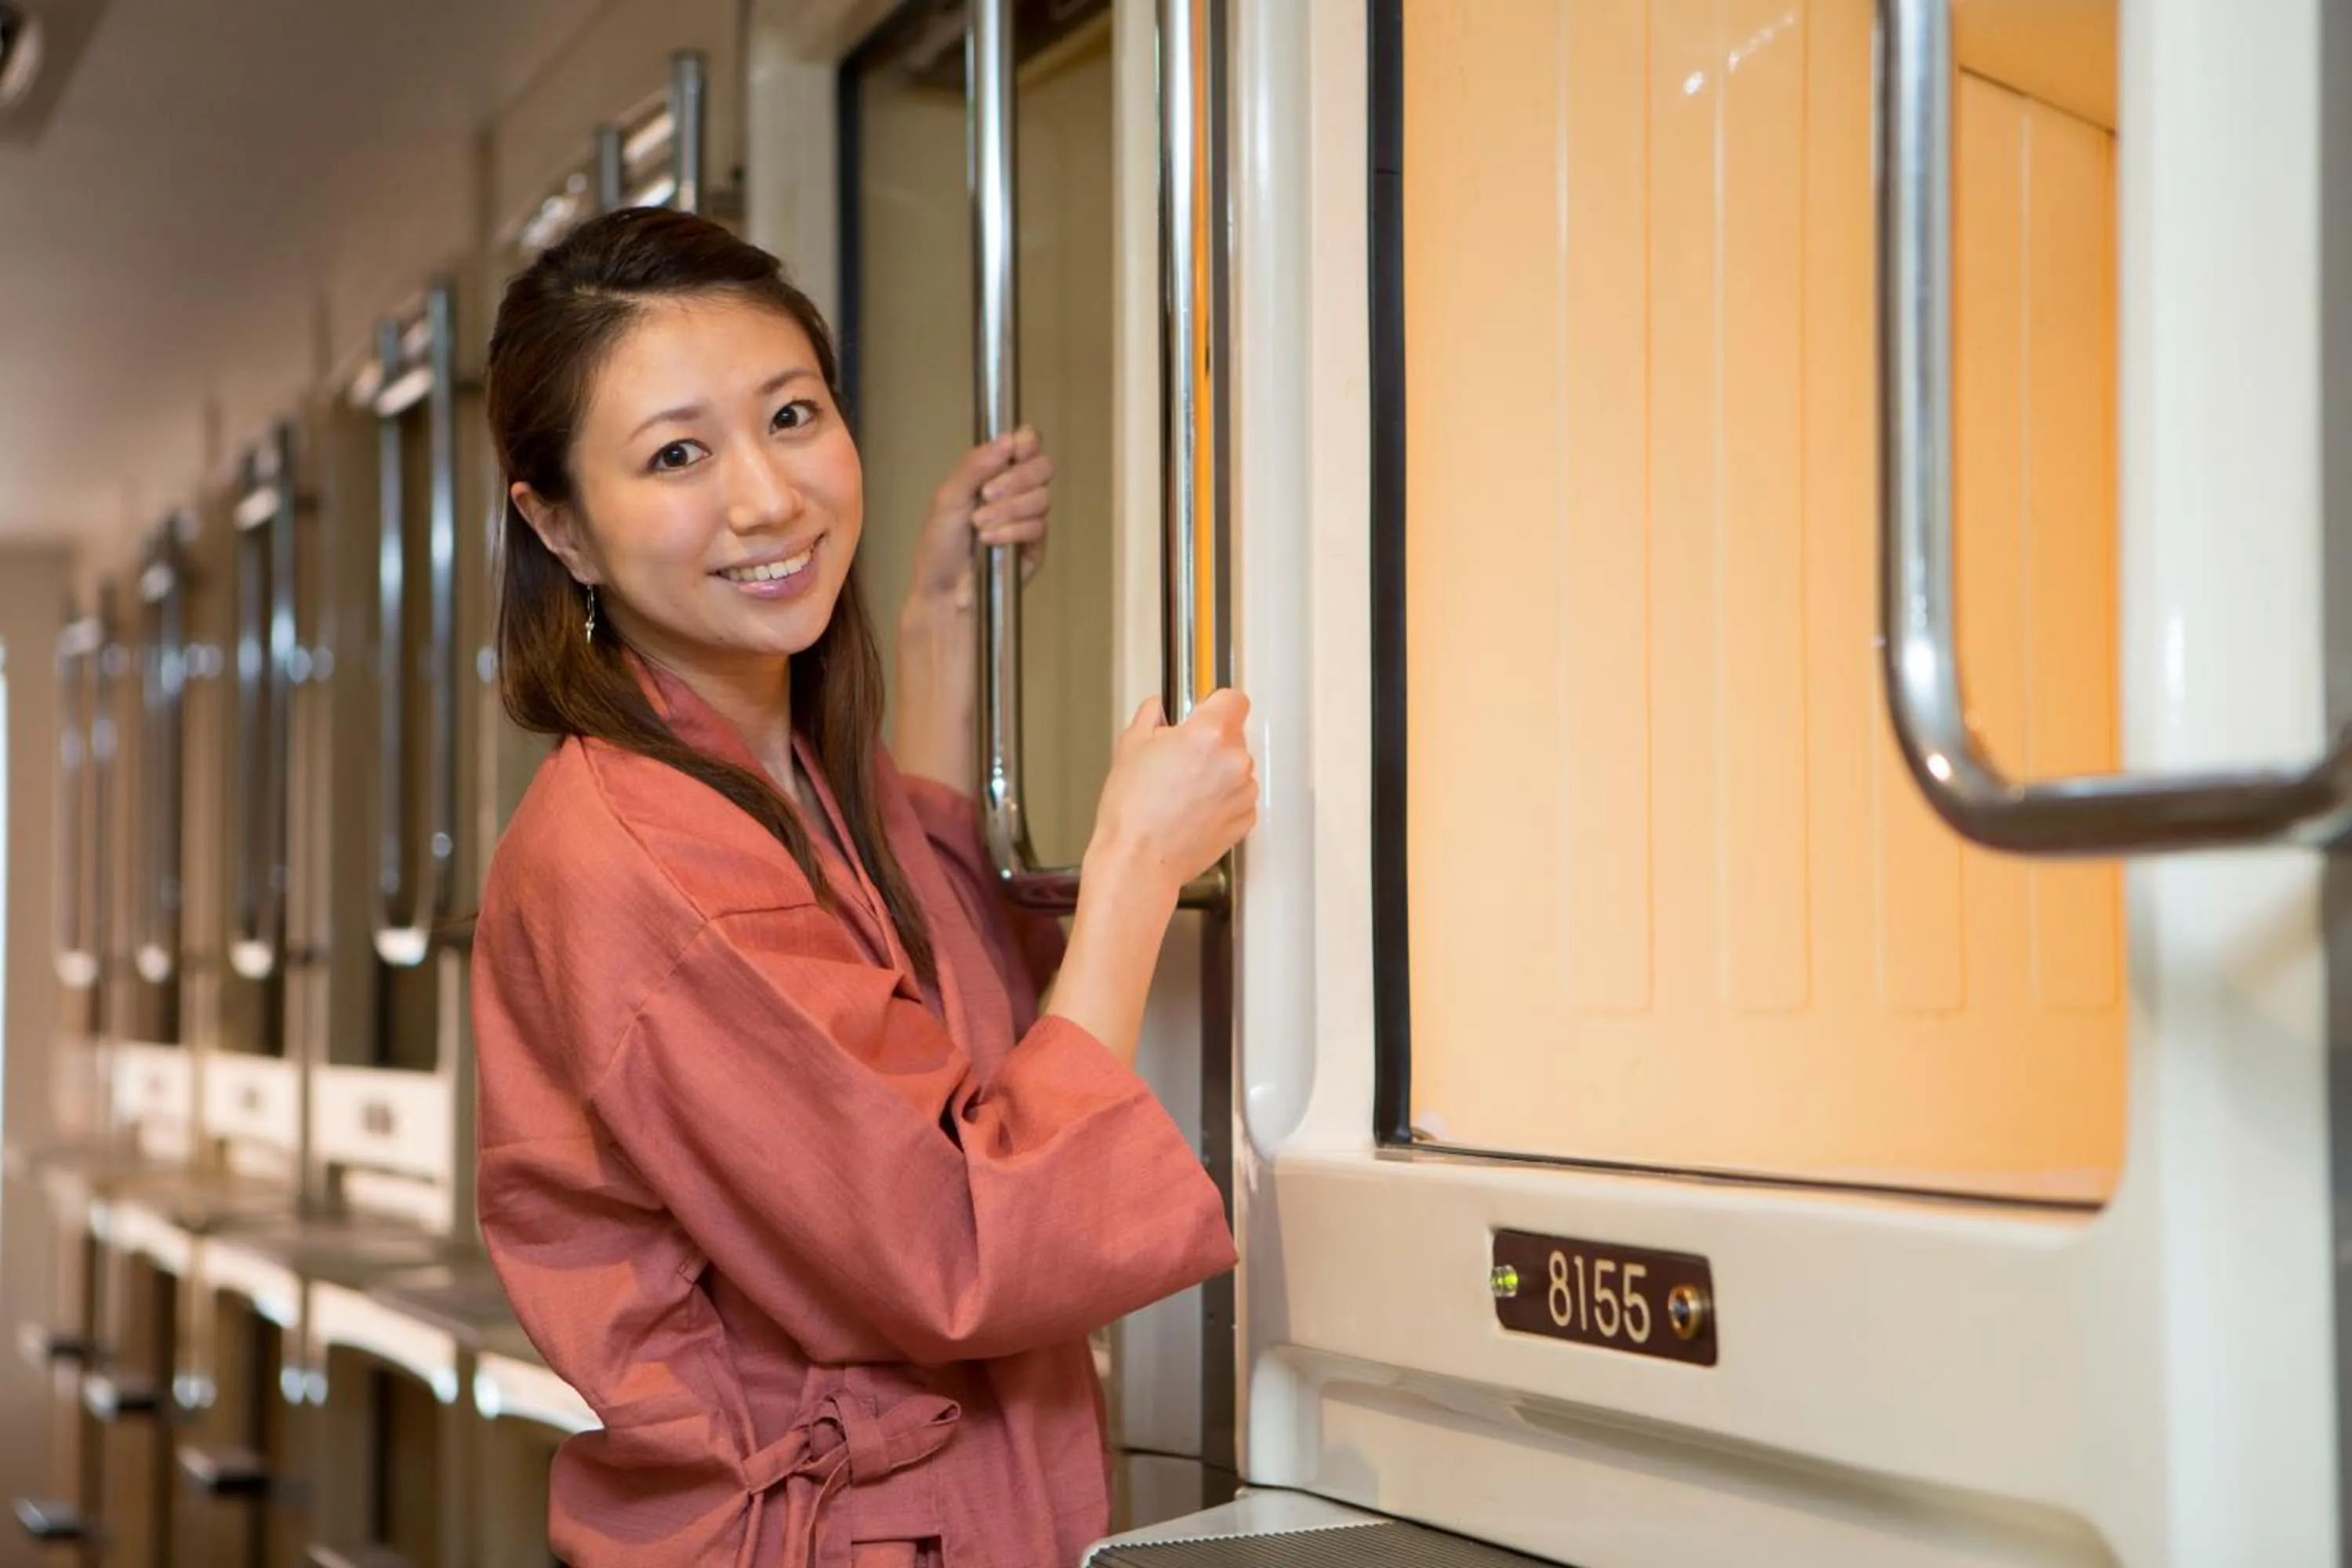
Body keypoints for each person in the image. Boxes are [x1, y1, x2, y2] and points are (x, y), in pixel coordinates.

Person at [470, 206, 1254, 1568]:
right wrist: (1134, 863)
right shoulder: (646, 861)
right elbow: (965, 1231)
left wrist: (940, 620)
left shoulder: (759, 767)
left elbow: (920, 992)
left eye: (791, 416)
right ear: (566, 530)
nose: (769, 499)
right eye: (676, 455)